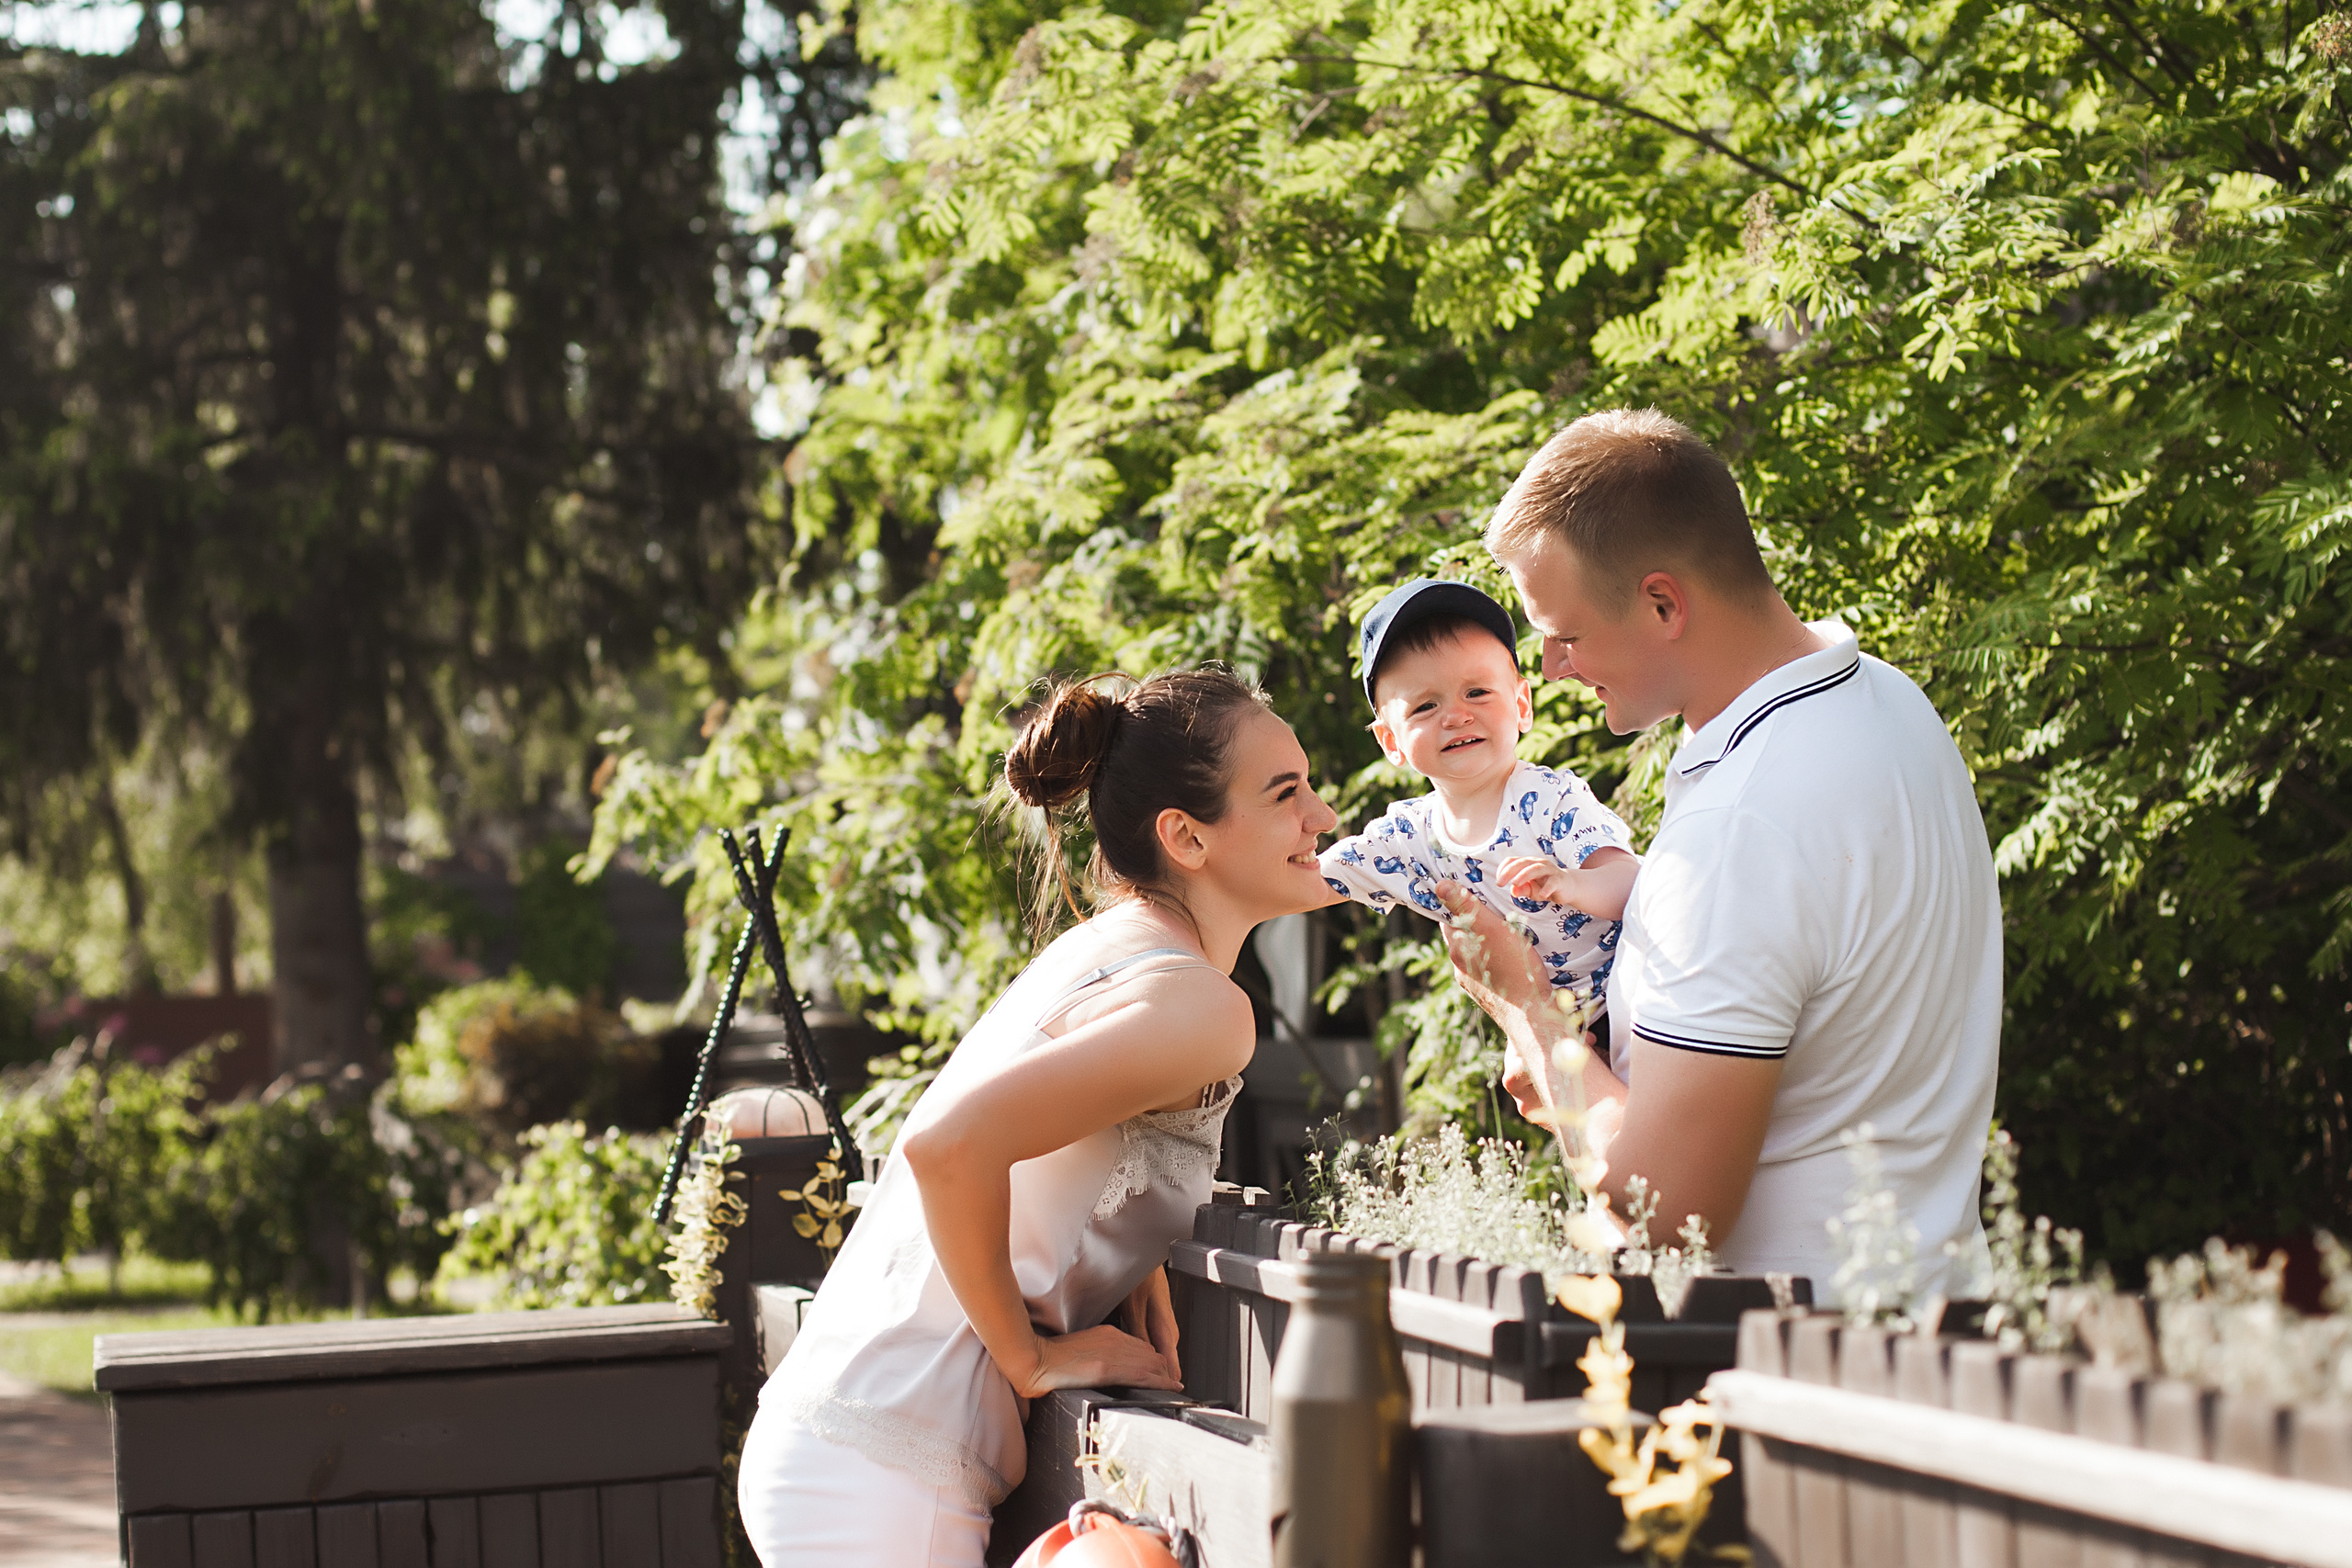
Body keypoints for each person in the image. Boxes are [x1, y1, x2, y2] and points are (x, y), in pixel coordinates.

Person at [738, 668, 1340, 1568]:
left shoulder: (1107, 946)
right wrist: (1031, 1363)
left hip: (844, 1447)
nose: (1322, 816)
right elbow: (948, 1148)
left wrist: (1126, 1252)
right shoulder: (1207, 1007)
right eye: (1285, 793)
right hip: (886, 1482)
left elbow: (1066, 1154)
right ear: (1185, 835)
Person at [1442, 408, 1999, 1296]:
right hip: (1936, 1329)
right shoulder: (1889, 703)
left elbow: (1666, 1212)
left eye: (1569, 632)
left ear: (1663, 602)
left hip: (1796, 1371)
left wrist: (1526, 1015)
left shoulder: (1744, 826)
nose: (1548, 666)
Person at [1316, 579, 1641, 1054]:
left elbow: (1634, 883)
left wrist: (1572, 885)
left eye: (1478, 692)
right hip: (1552, 1034)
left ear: (1521, 705)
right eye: (1426, 705)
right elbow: (1315, 880)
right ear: (1391, 742)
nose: (1455, 716)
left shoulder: (1551, 800)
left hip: (1634, 1005)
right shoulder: (1407, 837)